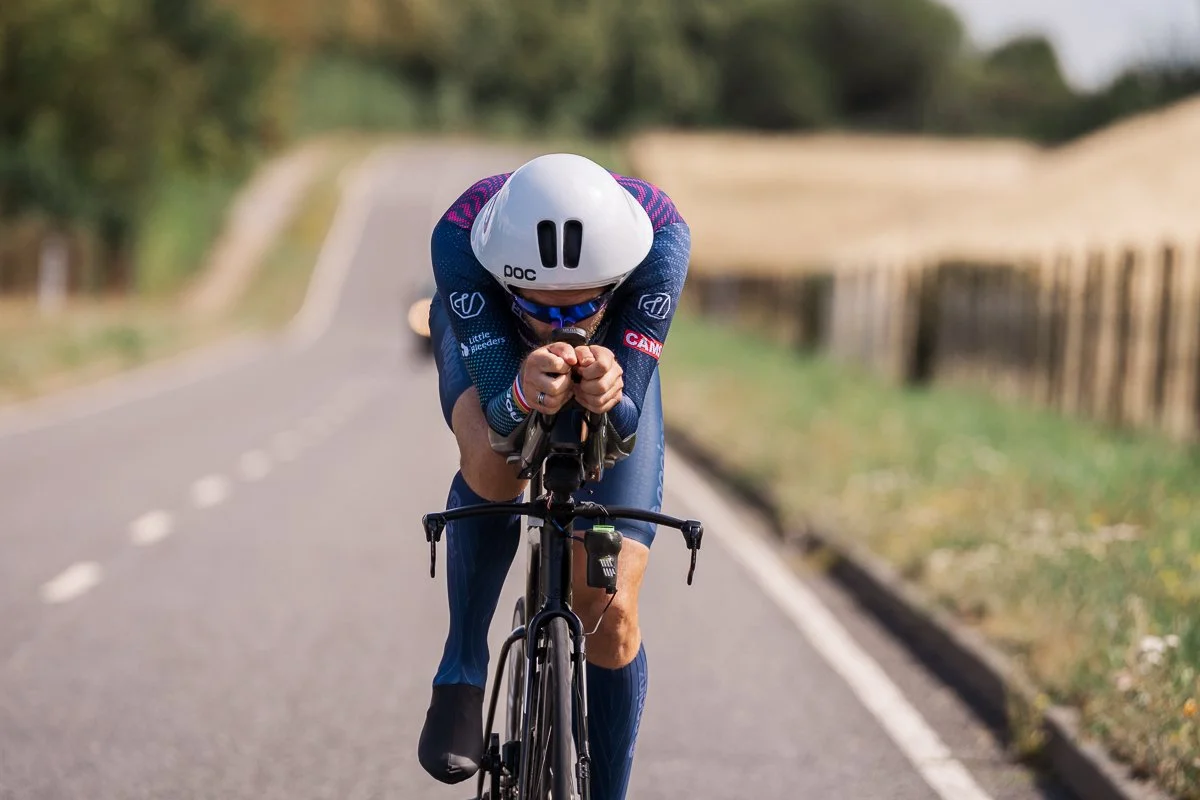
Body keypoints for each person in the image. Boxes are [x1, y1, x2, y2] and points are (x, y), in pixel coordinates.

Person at [417, 152, 690, 800]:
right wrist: (518, 390)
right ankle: (462, 665)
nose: (558, 327)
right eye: (539, 308)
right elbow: (500, 415)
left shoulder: (661, 237)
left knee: (610, 608)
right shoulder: (460, 235)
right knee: (493, 455)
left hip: (614, 347)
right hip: (490, 337)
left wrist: (613, 392)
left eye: (580, 308)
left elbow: (625, 421)